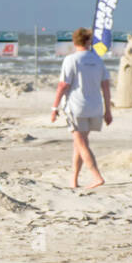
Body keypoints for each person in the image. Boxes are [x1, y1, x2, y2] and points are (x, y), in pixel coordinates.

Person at [50, 27, 112, 188]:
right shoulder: (98, 60)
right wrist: (108, 111)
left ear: (75, 41)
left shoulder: (72, 60)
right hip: (95, 107)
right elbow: (106, 86)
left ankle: (97, 176)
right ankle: (74, 180)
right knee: (79, 143)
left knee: (81, 143)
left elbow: (63, 85)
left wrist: (54, 107)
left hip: (76, 107)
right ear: (88, 41)